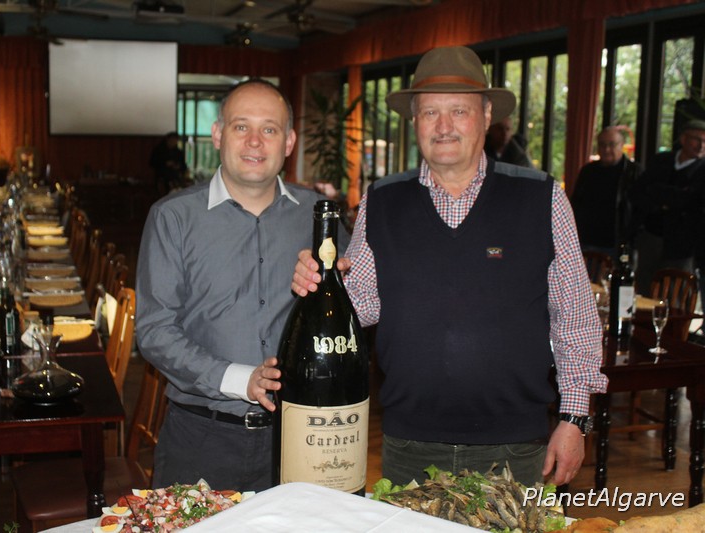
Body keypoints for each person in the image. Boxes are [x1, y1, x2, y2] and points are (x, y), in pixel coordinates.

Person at [291, 46, 608, 487]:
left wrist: (574, 419)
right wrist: (321, 284)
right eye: (430, 113)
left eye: (458, 111)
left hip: (515, 447)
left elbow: (574, 319)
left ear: (486, 115)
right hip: (408, 446)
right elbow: (360, 305)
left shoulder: (542, 198)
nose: (443, 127)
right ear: (414, 121)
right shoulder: (382, 201)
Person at [135, 79, 345, 492]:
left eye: (269, 129)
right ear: (218, 134)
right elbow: (154, 331)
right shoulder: (172, 217)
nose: (254, 141)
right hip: (200, 439)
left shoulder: (319, 219)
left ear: (289, 142)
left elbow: (354, 309)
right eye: (241, 126)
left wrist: (338, 284)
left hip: (300, 437)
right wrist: (239, 379)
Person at [630, 119, 705, 295]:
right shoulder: (661, 161)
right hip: (651, 236)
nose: (701, 145)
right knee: (645, 287)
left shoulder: (702, 170)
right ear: (683, 139)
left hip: (682, 244)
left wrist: (660, 192)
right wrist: (673, 196)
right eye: (697, 139)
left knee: (676, 291)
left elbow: (692, 201)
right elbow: (637, 192)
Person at [570, 126, 642, 260]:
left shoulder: (634, 172)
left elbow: (639, 211)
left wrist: (632, 242)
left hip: (618, 243)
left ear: (621, 145)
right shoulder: (588, 171)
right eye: (602, 145)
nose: (607, 149)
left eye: (612, 145)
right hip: (587, 241)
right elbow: (576, 204)